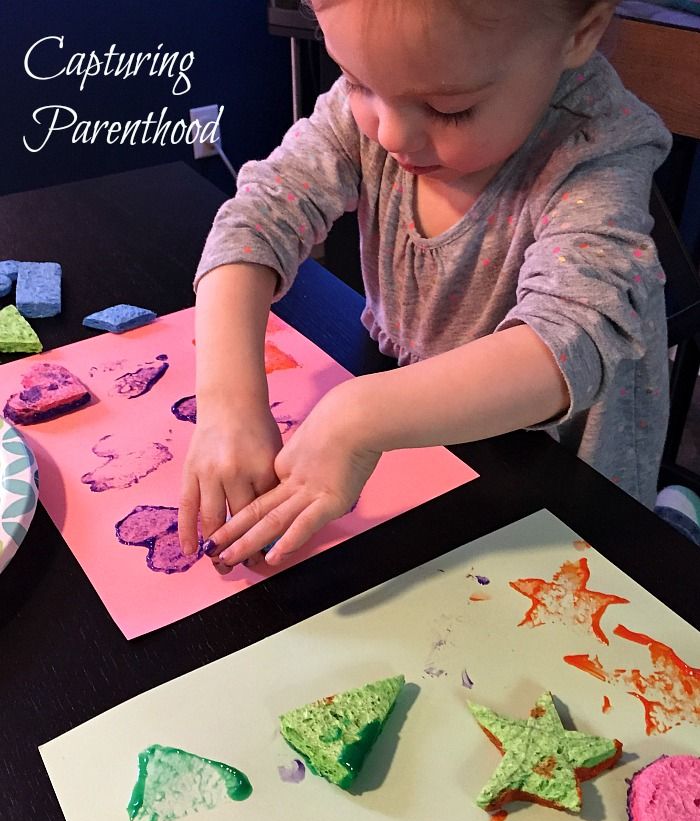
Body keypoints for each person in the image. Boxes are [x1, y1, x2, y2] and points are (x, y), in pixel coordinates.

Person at [179, 0, 672, 573]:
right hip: (426, 430)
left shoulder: (596, 147)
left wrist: (357, 417)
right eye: (356, 80)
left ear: (580, 31)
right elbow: (255, 221)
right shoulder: (381, 101)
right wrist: (227, 403)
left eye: (449, 109)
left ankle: (677, 515)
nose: (390, 134)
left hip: (558, 475)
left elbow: (572, 336)